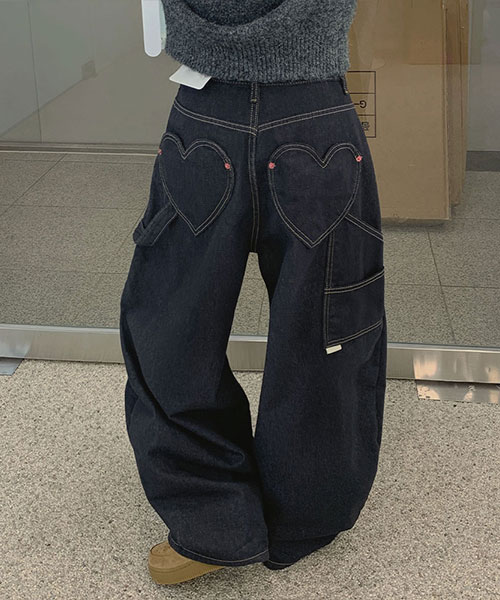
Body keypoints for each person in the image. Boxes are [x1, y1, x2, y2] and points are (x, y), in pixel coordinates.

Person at [119, 0, 387, 585]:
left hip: (207, 114)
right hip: (312, 113)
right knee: (328, 329)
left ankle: (215, 516)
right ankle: (301, 514)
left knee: (171, 328)